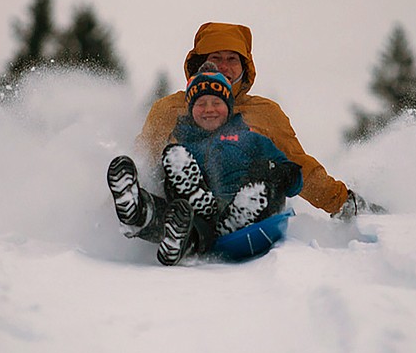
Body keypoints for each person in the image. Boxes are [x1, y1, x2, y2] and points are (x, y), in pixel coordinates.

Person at [110, 21, 381, 243]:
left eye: (232, 59)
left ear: (245, 66)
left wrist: (342, 201)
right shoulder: (170, 108)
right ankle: (152, 217)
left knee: (273, 167)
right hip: (186, 208)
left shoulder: (264, 112)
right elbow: (144, 159)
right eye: (216, 58)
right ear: (200, 63)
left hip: (246, 214)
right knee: (170, 162)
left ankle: (233, 215)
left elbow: (298, 165)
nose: (224, 66)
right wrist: (117, 201)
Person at [111, 62, 303, 265]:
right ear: (191, 109)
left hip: (250, 215)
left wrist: (279, 173)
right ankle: (140, 212)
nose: (209, 109)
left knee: (266, 177)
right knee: (174, 163)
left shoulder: (252, 140)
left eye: (216, 102)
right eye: (201, 104)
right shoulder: (184, 145)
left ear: (228, 106)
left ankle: (232, 217)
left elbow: (295, 182)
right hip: (200, 220)